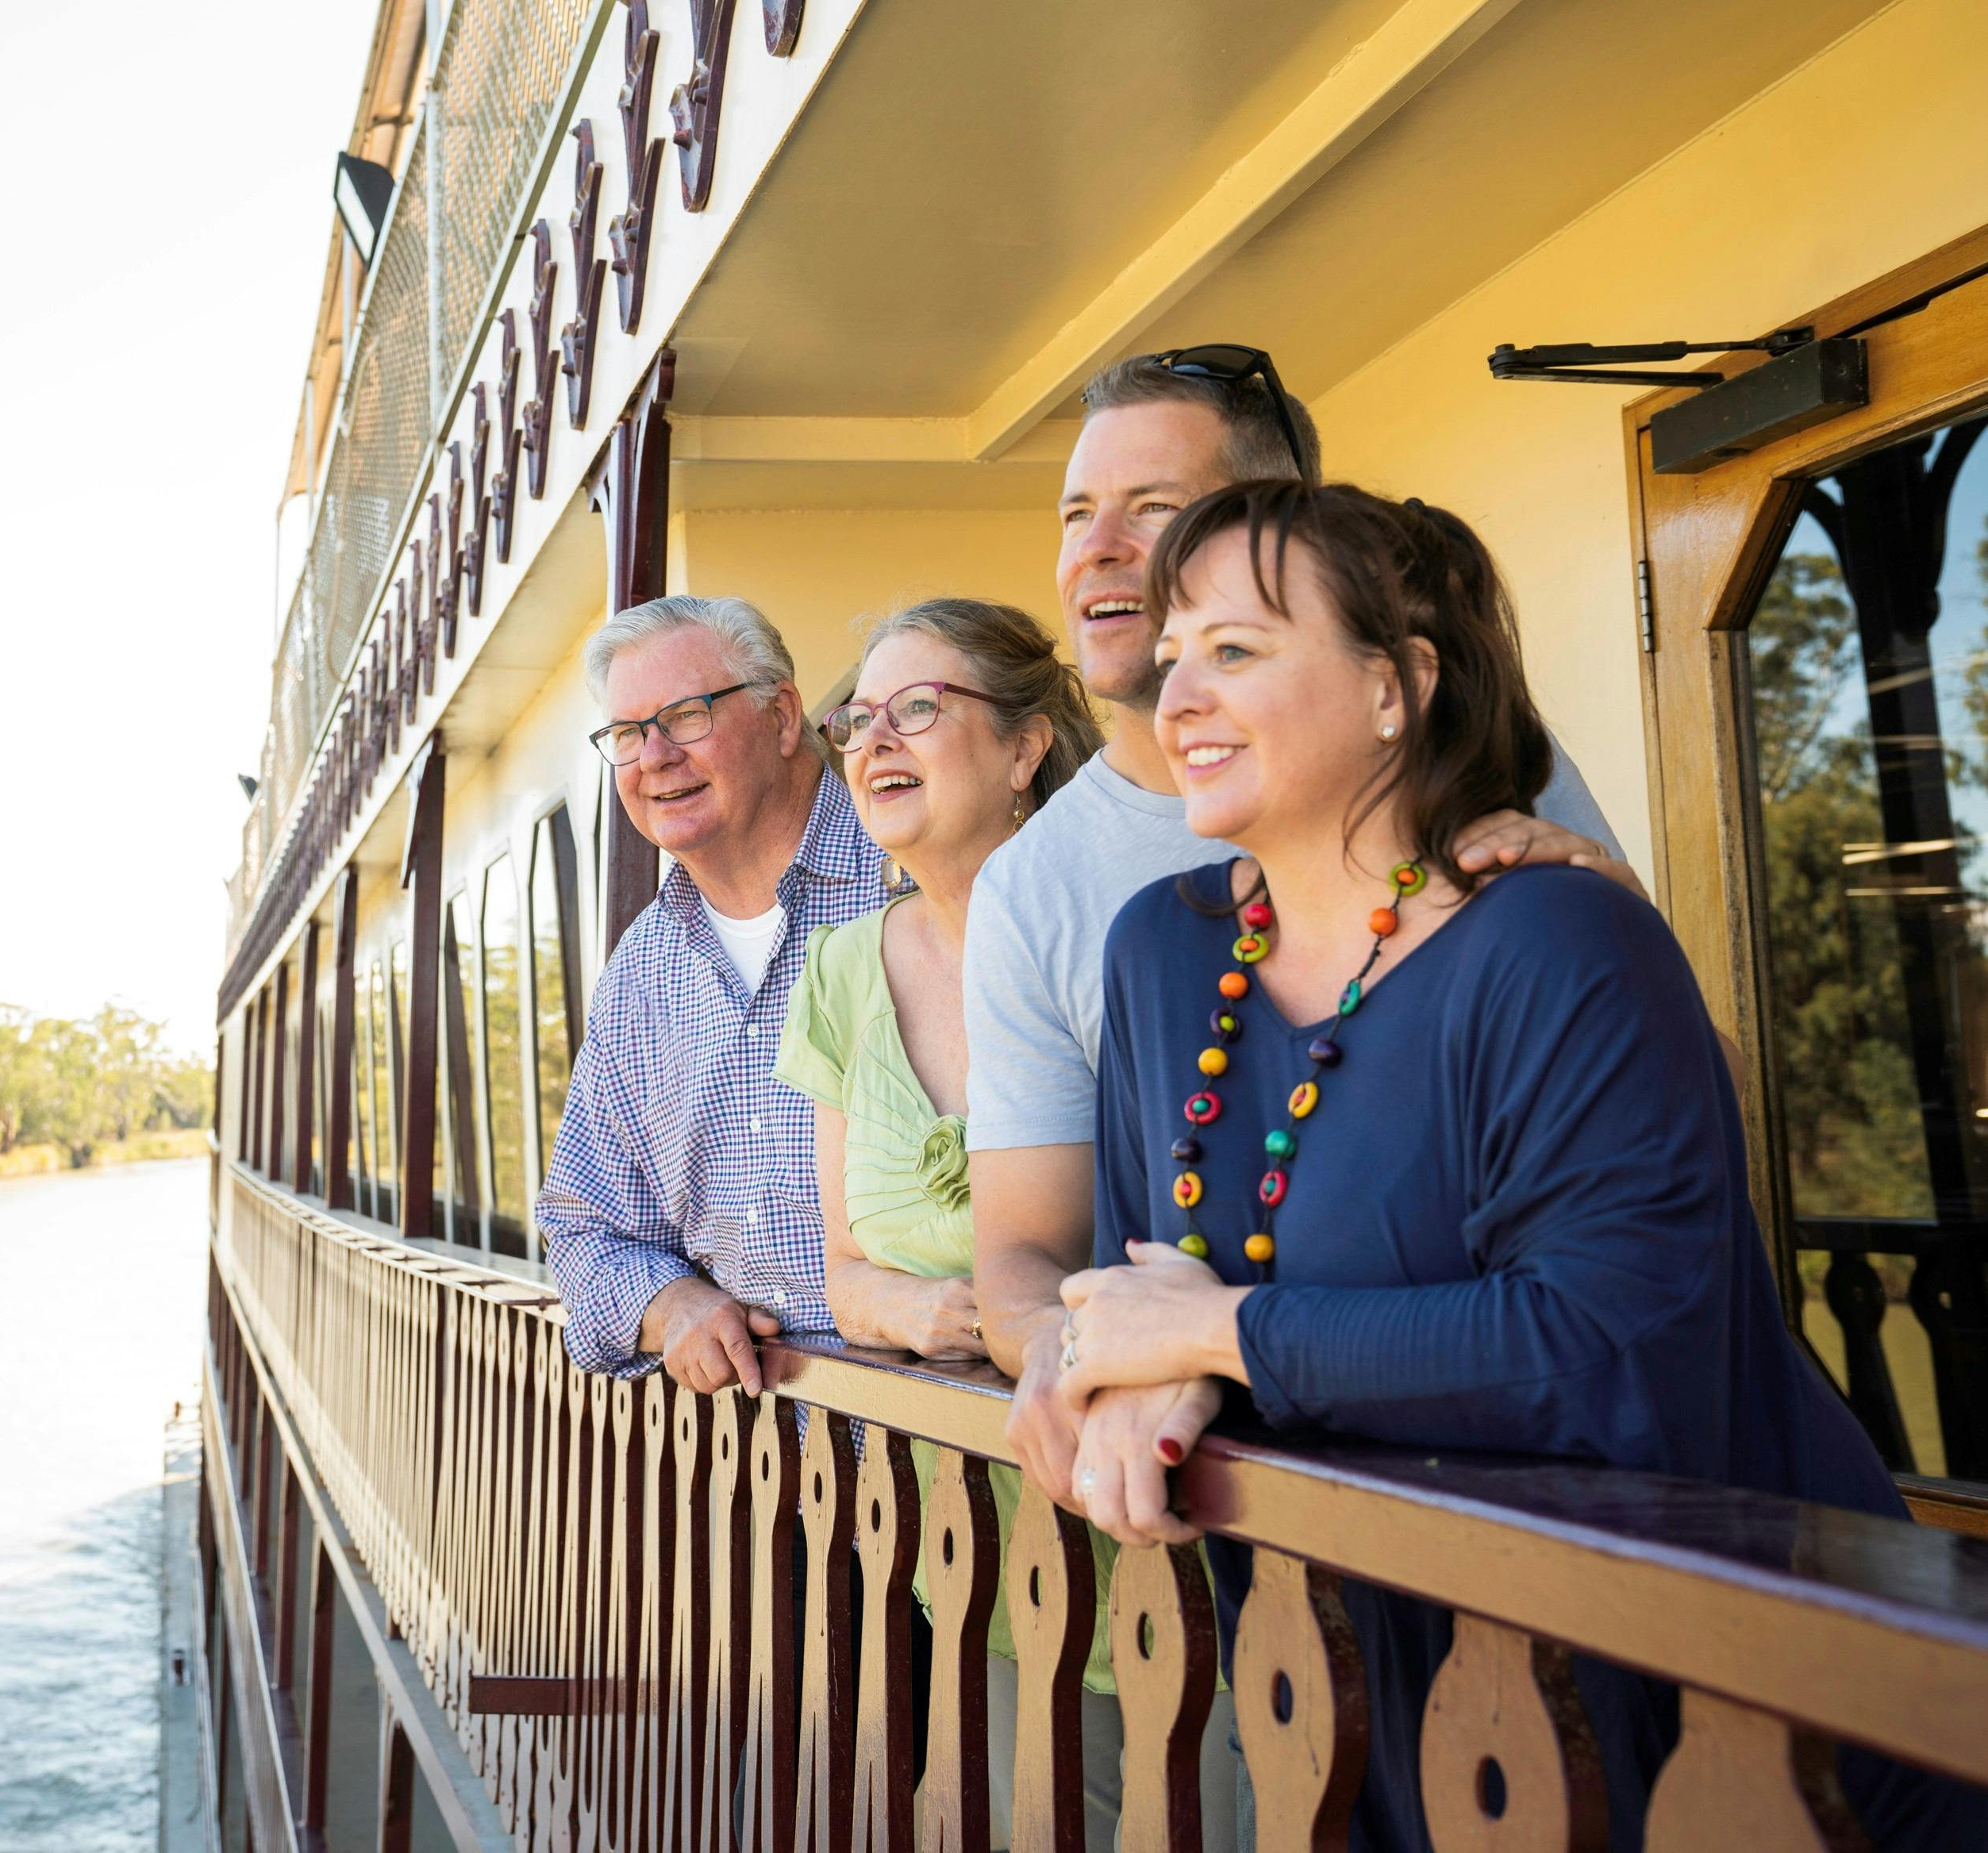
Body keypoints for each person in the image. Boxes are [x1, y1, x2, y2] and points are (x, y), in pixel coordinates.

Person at [1047, 478, 1981, 1850]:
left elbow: (1602, 1348)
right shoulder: (1161, 953)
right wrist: (1153, 1368)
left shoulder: (1560, 944)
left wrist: (1225, 1333)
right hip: (1348, 1697)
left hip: (1703, 1714)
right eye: (1175, 653)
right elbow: (1142, 1285)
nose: (1176, 692)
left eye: (1236, 648)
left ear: (1398, 686)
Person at [971, 348, 1632, 1843]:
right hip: (1317, 1619)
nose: (1104, 553)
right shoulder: (1142, 936)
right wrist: (1115, 1365)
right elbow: (1084, 1258)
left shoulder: (1522, 865)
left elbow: (1628, 1240)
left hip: (1606, 1599)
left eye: (1159, 507)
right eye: (1080, 510)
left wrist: (1206, 1335)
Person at [775, 595, 1209, 1848]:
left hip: (1160, 1480)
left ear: (1025, 747)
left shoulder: (1145, 914)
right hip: (967, 1529)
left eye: (921, 706)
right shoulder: (844, 970)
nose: (875, 740)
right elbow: (842, 1264)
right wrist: (927, 1310)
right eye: (858, 716)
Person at [537, 593, 885, 1387]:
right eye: (626, 733)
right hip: (752, 1481)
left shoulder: (908, 875)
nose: (653, 755)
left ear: (781, 715)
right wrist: (671, 1303)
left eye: (686, 715)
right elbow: (582, 1226)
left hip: (966, 1469)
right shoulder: (640, 971)